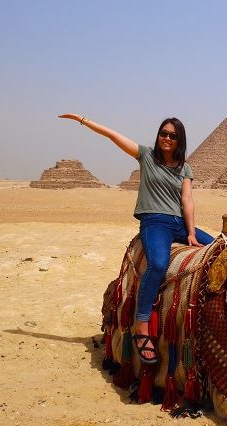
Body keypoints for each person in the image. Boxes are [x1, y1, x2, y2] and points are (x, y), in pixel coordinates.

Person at [58, 113, 214, 364]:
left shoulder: (185, 168)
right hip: (154, 222)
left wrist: (192, 233)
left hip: (179, 224)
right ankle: (142, 326)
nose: (167, 138)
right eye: (163, 133)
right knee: (158, 265)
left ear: (180, 140)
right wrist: (83, 120)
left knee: (220, 248)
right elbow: (113, 135)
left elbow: (187, 200)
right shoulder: (146, 156)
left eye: (173, 136)